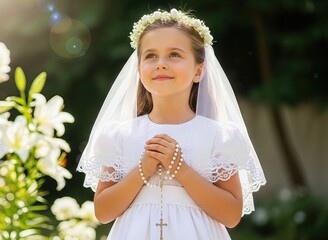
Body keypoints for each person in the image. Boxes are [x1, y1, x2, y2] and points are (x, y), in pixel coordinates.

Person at [77, 8, 266, 240]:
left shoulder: (218, 136)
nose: (161, 64)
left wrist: (180, 168)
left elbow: (231, 215)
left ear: (198, 71)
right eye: (150, 56)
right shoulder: (119, 136)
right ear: (138, 70)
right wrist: (142, 170)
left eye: (174, 54)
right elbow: (103, 212)